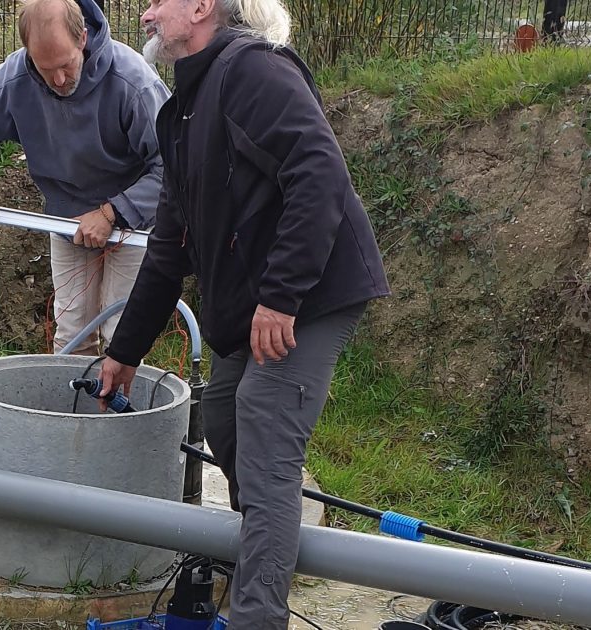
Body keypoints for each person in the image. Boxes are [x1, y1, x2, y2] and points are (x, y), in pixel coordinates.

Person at [98, 0, 390, 627]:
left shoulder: (254, 71)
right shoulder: (182, 112)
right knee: (227, 416)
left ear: (201, 7)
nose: (145, 15)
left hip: (310, 292)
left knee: (261, 422)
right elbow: (169, 245)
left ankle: (259, 613)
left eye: (157, 2)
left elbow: (320, 171)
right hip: (260, 298)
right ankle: (268, 538)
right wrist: (124, 351)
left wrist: (282, 294)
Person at [0, 0, 169, 356]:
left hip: (136, 221)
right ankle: (73, 410)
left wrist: (110, 213)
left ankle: (121, 411)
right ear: (29, 53)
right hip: (67, 219)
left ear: (83, 39)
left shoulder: (132, 81)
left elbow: (174, 166)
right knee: (72, 334)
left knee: (125, 334)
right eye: (46, 70)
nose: (58, 80)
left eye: (65, 65)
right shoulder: (17, 78)